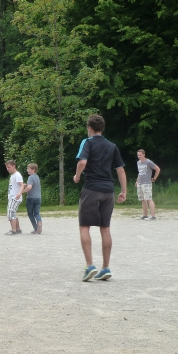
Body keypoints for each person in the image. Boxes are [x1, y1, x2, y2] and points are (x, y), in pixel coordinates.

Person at [73, 114, 126, 281]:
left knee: (84, 227)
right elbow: (120, 170)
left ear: (89, 127)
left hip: (92, 189)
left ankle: (90, 266)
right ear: (102, 128)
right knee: (105, 229)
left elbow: (82, 162)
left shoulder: (87, 142)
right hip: (108, 191)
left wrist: (77, 176)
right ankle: (106, 268)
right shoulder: (112, 146)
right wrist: (123, 191)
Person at [135, 149, 161, 221]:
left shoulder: (148, 162)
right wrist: (137, 181)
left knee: (149, 199)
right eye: (138, 155)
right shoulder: (138, 163)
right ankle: (145, 215)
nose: (139, 156)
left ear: (144, 154)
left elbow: (157, 169)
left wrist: (154, 178)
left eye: (140, 155)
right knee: (143, 200)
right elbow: (140, 172)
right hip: (140, 183)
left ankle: (153, 216)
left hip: (147, 183)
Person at [22, 163, 42, 234]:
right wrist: (26, 185)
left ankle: (36, 228)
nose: (27, 170)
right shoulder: (37, 177)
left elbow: (29, 187)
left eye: (29, 169)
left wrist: (22, 191)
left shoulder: (30, 177)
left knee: (30, 213)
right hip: (38, 198)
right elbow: (32, 186)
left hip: (31, 198)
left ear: (33, 170)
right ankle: (39, 222)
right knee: (36, 213)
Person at [5, 160, 23, 235]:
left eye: (9, 167)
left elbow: (21, 185)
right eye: (7, 167)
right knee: (13, 213)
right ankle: (18, 229)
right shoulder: (12, 176)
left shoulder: (17, 175)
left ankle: (13, 230)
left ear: (13, 166)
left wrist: (19, 193)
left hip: (15, 197)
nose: (7, 169)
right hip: (12, 197)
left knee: (10, 212)